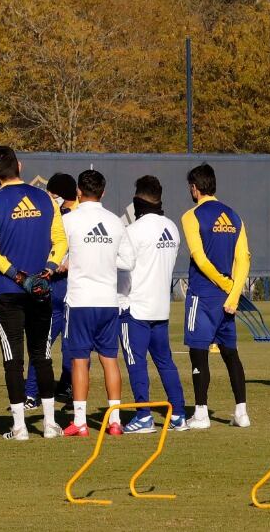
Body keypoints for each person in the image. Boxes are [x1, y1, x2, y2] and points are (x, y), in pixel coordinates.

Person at [0, 146, 67, 441]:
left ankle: (19, 427)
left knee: (13, 358)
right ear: (20, 164)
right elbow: (60, 241)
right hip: (41, 288)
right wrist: (49, 269)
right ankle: (50, 424)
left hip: (7, 291)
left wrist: (18, 276)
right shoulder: (46, 198)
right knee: (42, 356)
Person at [59, 169, 132, 437]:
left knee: (79, 360)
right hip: (108, 301)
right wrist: (105, 260)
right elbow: (129, 261)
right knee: (110, 359)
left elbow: (56, 255)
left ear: (78, 191)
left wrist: (72, 262)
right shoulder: (115, 222)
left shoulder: (69, 220)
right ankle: (115, 421)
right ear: (103, 191)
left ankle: (80, 422)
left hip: (80, 301)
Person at [181, 163, 250, 429]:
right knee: (230, 354)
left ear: (195, 188)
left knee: (198, 354)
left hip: (203, 294)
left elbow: (199, 257)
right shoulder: (234, 215)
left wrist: (223, 284)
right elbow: (243, 258)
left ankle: (201, 413)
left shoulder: (191, 215)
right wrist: (233, 293)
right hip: (227, 300)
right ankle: (241, 412)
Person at [120, 176, 189, 433]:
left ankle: (144, 415)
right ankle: (178, 415)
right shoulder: (171, 226)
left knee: (135, 361)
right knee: (165, 362)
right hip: (161, 307)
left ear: (138, 198)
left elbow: (123, 267)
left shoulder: (133, 230)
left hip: (134, 307)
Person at [24, 173, 77, 407]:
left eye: (53, 194)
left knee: (71, 344)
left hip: (73, 285)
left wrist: (69, 263)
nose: (50, 197)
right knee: (42, 340)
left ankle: (67, 387)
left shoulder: (79, 216)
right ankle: (32, 392)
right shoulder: (54, 214)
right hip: (53, 285)